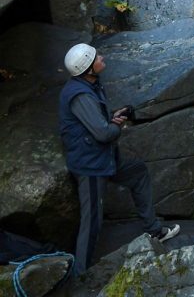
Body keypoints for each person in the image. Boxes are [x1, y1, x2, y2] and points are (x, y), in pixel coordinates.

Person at [59, 43, 180, 276]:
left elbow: (95, 121)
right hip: (90, 166)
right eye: (96, 57)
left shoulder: (90, 85)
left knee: (138, 172)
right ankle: (80, 275)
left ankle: (154, 230)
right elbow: (103, 134)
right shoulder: (80, 94)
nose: (101, 57)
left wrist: (113, 116)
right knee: (92, 220)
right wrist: (117, 125)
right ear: (88, 68)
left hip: (103, 159)